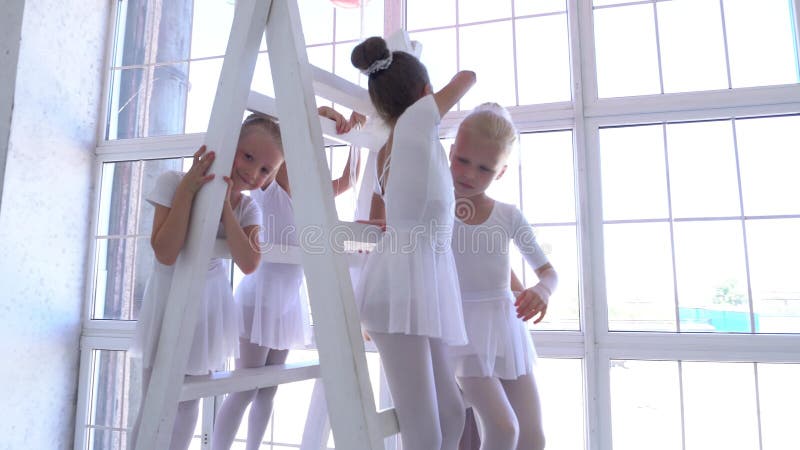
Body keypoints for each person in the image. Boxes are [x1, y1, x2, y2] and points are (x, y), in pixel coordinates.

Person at [210, 107, 364, 450]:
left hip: (288, 301)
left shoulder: (312, 197)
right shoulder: (270, 182)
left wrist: (354, 137)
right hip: (259, 297)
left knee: (269, 388)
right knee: (245, 387)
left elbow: (351, 179)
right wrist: (322, 113)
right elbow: (286, 132)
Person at [128, 114, 285, 450]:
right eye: (248, 157)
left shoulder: (248, 210)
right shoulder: (173, 182)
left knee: (188, 405)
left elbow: (250, 263)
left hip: (209, 310)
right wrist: (190, 188)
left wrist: (227, 208)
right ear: (231, 145)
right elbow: (166, 252)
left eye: (265, 171)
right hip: (168, 300)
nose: (252, 172)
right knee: (154, 398)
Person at [351, 36, 475, 450]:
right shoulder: (416, 123)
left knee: (451, 415)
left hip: (420, 281)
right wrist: (421, 83)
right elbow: (467, 78)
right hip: (400, 286)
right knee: (425, 428)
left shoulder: (404, 142)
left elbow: (395, 212)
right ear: (424, 93)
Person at [449, 103, 558, 450]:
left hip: (506, 330)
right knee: (502, 429)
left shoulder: (508, 215)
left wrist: (542, 289)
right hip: (460, 334)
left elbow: (548, 272)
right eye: (463, 160)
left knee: (533, 437)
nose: (469, 174)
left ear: (502, 172)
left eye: (485, 168)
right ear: (450, 152)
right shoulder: (434, 210)